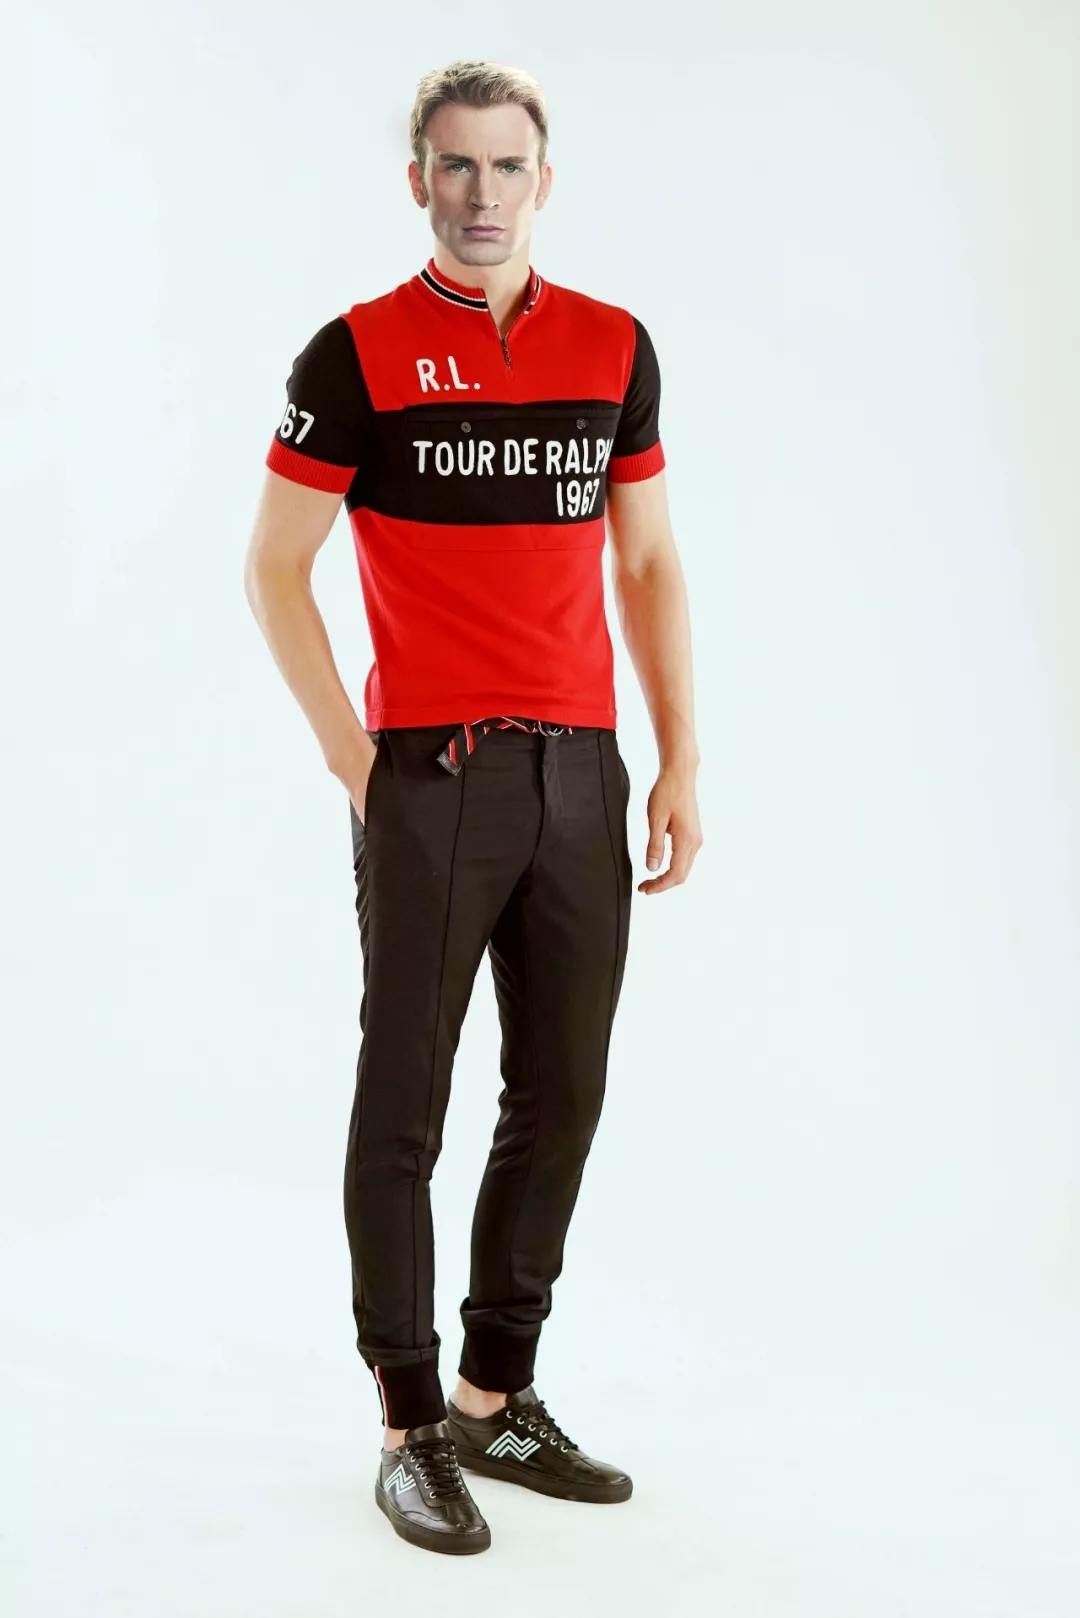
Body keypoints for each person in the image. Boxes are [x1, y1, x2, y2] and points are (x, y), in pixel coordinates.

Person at [244, 58, 702, 1556]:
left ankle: (495, 1396)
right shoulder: (356, 355)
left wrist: (679, 756)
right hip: (430, 773)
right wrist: (352, 754)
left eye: (508, 167)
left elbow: (646, 559)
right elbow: (275, 565)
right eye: (456, 165)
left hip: (581, 771)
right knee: (406, 1104)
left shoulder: (613, 346)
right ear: (419, 180)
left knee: (563, 1089)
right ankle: (405, 1420)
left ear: (543, 181)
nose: (483, 193)